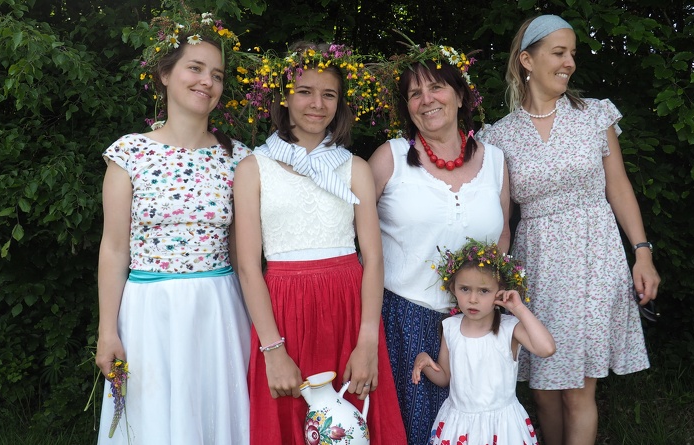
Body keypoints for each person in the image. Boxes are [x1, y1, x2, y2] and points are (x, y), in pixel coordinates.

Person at [477, 14, 661, 445]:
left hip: (595, 255)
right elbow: (500, 217)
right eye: (559, 53)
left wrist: (643, 252)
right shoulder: (499, 137)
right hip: (538, 264)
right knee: (543, 393)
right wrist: (491, 275)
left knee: (578, 390)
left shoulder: (594, 115)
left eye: (572, 53)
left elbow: (618, 187)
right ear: (527, 60)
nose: (570, 63)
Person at [233, 42, 407, 444]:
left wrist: (367, 342)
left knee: (355, 425)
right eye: (305, 91)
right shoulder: (253, 168)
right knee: (290, 422)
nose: (317, 103)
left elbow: (373, 258)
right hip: (283, 314)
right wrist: (273, 350)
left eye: (329, 94)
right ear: (284, 97)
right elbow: (248, 266)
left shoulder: (354, 167)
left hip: (348, 309)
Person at [95, 9, 253, 444]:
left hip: (217, 311)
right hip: (150, 312)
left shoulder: (238, 158)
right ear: (165, 75)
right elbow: (114, 249)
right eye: (195, 68)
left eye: (217, 75)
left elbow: (244, 256)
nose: (207, 82)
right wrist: (107, 331)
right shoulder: (129, 153)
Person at [368, 41, 511, 445]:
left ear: (461, 95)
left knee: (479, 426)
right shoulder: (390, 157)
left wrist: (488, 303)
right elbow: (355, 235)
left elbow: (502, 234)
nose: (427, 99)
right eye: (415, 93)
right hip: (405, 320)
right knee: (414, 430)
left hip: (475, 320)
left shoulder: (495, 160)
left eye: (436, 87)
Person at [411, 238, 555, 445]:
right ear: (453, 288)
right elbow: (444, 378)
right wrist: (425, 361)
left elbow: (547, 348)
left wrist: (518, 308)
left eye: (484, 291)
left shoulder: (509, 328)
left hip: (502, 427)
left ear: (501, 290)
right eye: (465, 289)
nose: (473, 299)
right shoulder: (451, 327)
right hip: (460, 426)